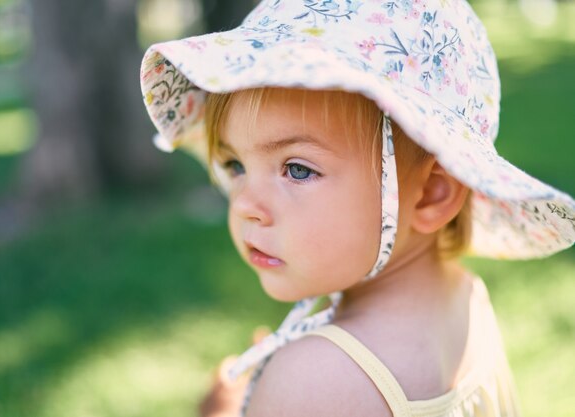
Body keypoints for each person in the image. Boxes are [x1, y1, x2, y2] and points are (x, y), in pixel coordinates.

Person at [139, 1, 575, 416]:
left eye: (297, 169)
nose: (246, 207)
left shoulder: (315, 382)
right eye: (235, 165)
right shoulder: (468, 299)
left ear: (430, 195)